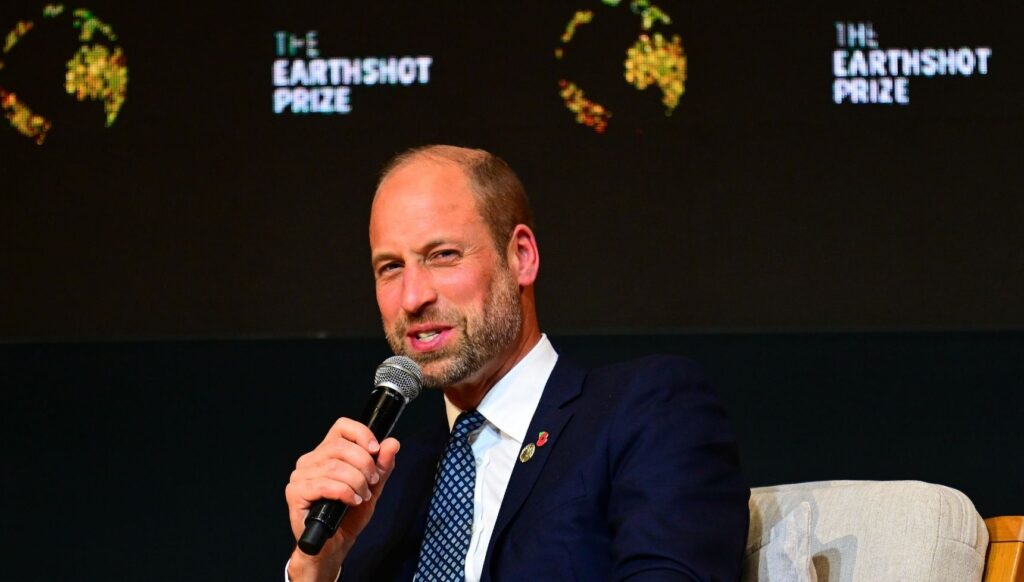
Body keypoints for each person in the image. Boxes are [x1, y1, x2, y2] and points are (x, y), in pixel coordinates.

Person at [284, 145, 749, 581]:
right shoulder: (383, 484)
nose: (412, 297)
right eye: (390, 267)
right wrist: (317, 567)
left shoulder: (645, 409)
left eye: (443, 256)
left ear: (521, 257)